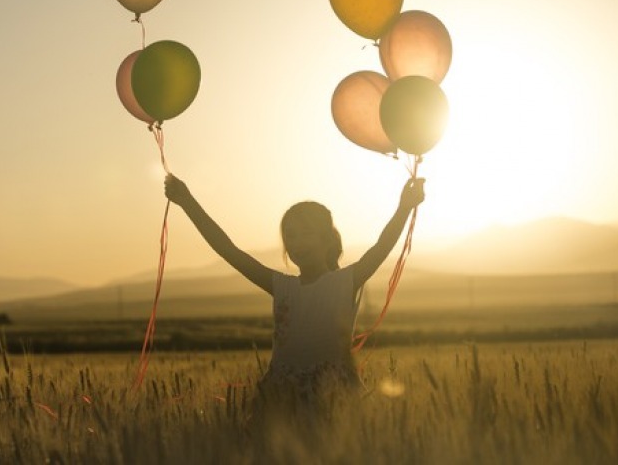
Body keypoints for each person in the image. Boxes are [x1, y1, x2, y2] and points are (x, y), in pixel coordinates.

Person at [163, 174, 425, 428]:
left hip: (332, 392)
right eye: (290, 235)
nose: (296, 242)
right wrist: (187, 202)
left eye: (306, 233)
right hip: (281, 392)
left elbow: (382, 246)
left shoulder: (345, 281)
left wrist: (404, 208)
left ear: (327, 239)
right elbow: (228, 250)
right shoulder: (282, 286)